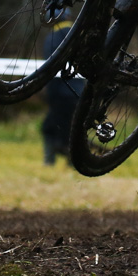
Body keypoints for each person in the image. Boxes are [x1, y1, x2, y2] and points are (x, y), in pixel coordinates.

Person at [40, 9, 81, 166]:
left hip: (59, 92)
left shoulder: (53, 37)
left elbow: (50, 68)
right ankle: (71, 161)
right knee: (73, 128)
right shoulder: (78, 33)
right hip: (78, 91)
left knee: (50, 127)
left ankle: (51, 161)